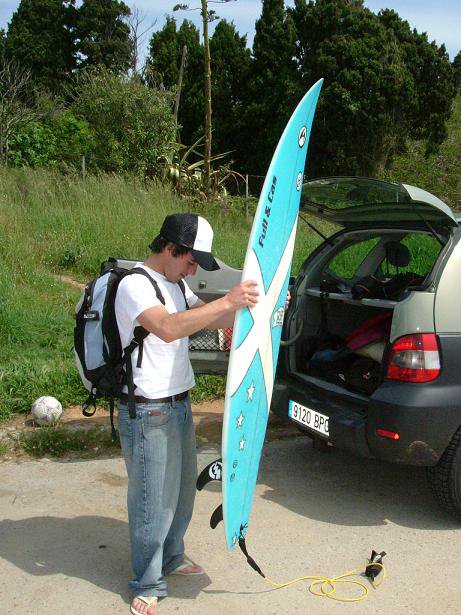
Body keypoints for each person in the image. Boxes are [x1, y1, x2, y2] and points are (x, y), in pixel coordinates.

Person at [115, 213, 259, 615]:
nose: (193, 269)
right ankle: (147, 582)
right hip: (147, 410)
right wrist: (228, 300)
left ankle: (172, 557)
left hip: (178, 403)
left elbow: (212, 317)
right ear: (169, 248)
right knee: (151, 501)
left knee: (180, 494)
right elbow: (166, 328)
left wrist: (255, 307)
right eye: (191, 260)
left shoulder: (176, 284)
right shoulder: (134, 285)